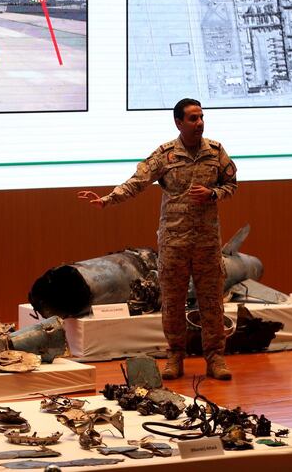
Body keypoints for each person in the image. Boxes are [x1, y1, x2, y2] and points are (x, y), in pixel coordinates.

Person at [78, 98, 237, 380]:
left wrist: (213, 194)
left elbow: (231, 184)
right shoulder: (166, 155)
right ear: (178, 122)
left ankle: (215, 359)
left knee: (211, 302)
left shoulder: (215, 151)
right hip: (174, 243)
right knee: (172, 302)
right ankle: (175, 357)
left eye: (201, 118)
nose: (199, 123)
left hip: (207, 243)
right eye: (192, 119)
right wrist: (107, 200)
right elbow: (137, 181)